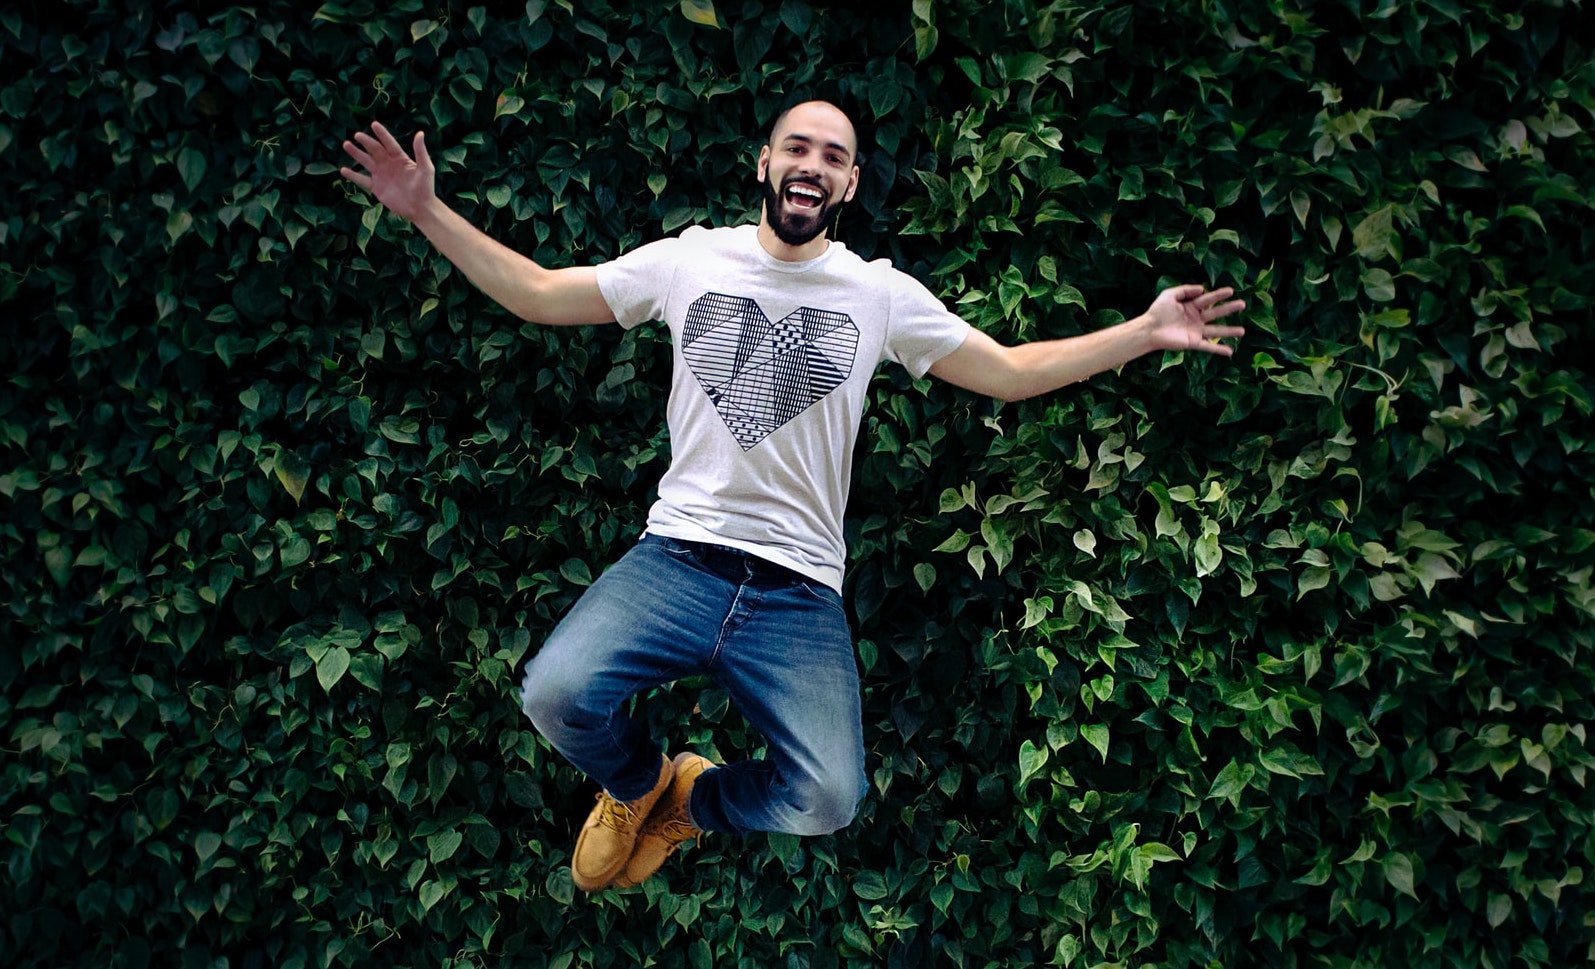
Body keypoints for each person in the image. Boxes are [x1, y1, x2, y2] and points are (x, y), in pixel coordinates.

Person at [338, 99, 1245, 892]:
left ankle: (690, 798)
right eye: (798, 147)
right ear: (765, 164)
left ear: (846, 188)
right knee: (554, 692)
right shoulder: (689, 262)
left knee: (827, 797)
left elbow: (1006, 371)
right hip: (678, 560)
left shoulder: (878, 294)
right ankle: (632, 780)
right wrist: (426, 210)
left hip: (796, 591)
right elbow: (538, 293)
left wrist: (1143, 330)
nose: (813, 164)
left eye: (834, 156)